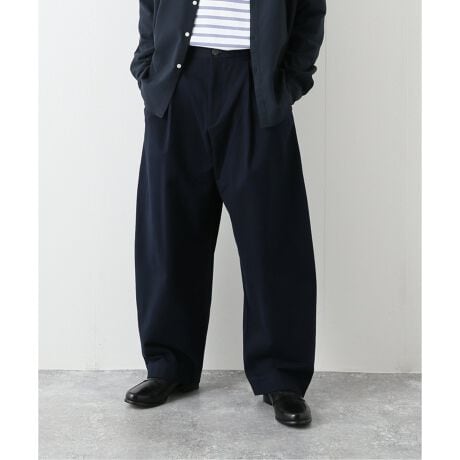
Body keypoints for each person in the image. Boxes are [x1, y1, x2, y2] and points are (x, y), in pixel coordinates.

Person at [125, 0, 326, 427]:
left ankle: (281, 376)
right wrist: (148, 67)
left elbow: (310, 11)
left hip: (256, 82)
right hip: (178, 81)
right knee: (171, 233)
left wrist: (290, 81)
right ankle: (168, 365)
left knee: (273, 238)